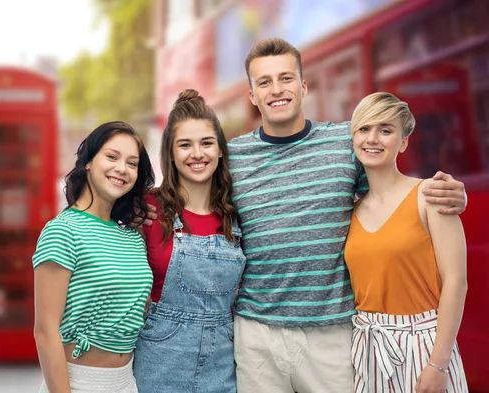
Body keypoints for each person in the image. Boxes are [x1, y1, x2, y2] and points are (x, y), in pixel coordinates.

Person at [226, 38, 468, 393]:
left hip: (333, 334)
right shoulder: (233, 157)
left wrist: (451, 193)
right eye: (264, 82)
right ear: (252, 95)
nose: (277, 90)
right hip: (257, 335)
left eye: (286, 78)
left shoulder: (346, 141)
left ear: (304, 86)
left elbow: (392, 186)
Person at [345, 92, 468, 393]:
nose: (372, 138)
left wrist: (438, 364)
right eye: (364, 129)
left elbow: (456, 281)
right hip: (369, 348)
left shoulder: (430, 194)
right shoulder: (350, 211)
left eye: (385, 130)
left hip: (425, 345)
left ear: (402, 142)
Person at [133, 89, 246, 392]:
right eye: (185, 145)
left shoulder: (236, 214)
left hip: (223, 363)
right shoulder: (146, 208)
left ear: (221, 150)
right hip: (158, 361)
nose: (197, 153)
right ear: (170, 152)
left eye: (207, 143)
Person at [33, 121, 155, 393]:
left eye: (132, 163)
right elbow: (45, 332)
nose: (122, 169)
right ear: (88, 161)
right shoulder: (63, 231)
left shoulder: (133, 238)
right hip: (78, 383)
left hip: (126, 382)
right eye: (111, 156)